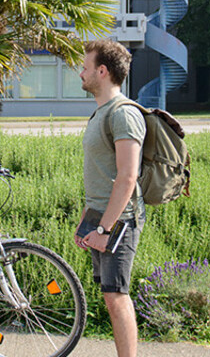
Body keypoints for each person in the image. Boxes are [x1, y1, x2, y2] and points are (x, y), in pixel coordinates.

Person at [75, 39, 145, 357]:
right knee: (109, 295)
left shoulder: (123, 114)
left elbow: (127, 177)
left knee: (117, 295)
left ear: (102, 71)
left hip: (120, 219)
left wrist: (104, 230)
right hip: (101, 216)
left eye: (86, 67)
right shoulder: (101, 113)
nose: (81, 73)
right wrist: (88, 219)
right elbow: (102, 173)